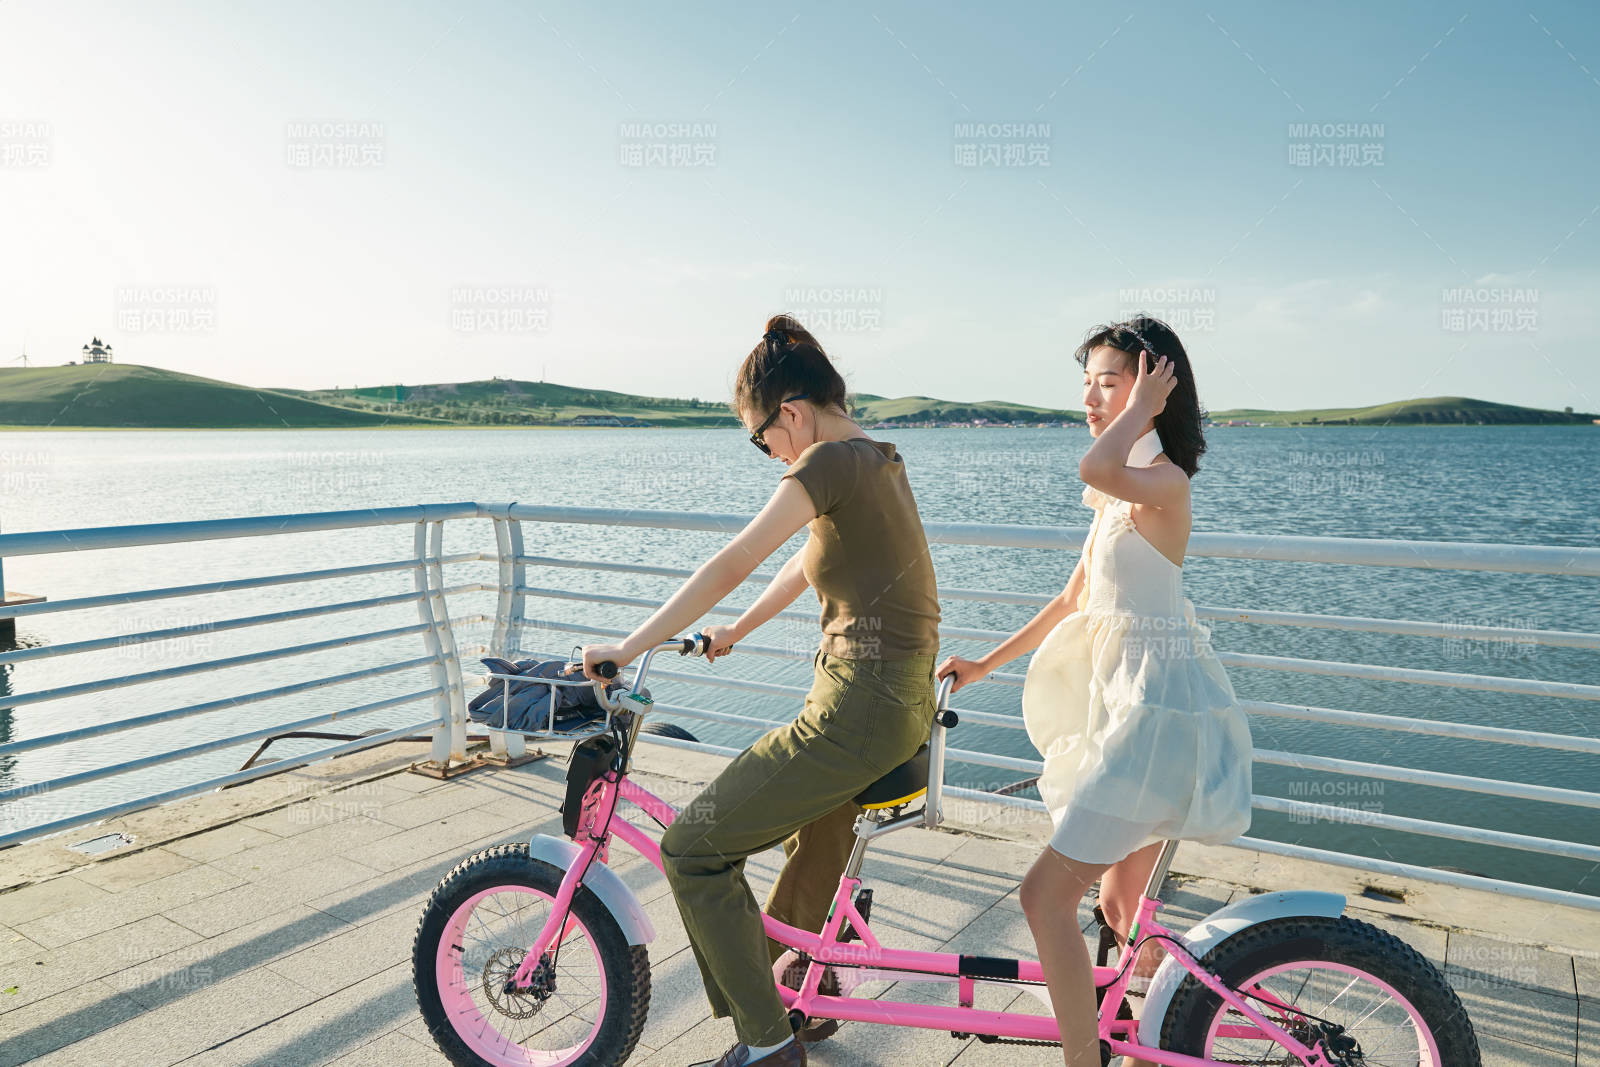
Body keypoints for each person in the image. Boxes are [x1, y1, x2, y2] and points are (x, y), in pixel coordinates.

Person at [582, 314, 941, 1067]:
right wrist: (736, 631)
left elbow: (735, 557)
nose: (767, 454)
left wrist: (627, 645)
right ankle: (798, 987)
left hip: (855, 711)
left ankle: (767, 1041)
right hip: (899, 708)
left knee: (693, 849)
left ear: (791, 412)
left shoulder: (823, 462)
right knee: (814, 839)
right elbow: (808, 560)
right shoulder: (877, 457)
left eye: (760, 437)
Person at [936, 316, 1253, 1067]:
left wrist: (1138, 413)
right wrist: (987, 662)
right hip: (1123, 713)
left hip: (1153, 719)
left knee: (1043, 898)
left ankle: (1091, 1059)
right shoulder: (1118, 497)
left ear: (1154, 386)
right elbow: (1074, 597)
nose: (1090, 396)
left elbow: (1092, 465)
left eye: (1108, 381)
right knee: (1116, 907)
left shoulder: (1162, 484)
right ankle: (1153, 1043)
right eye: (1087, 382)